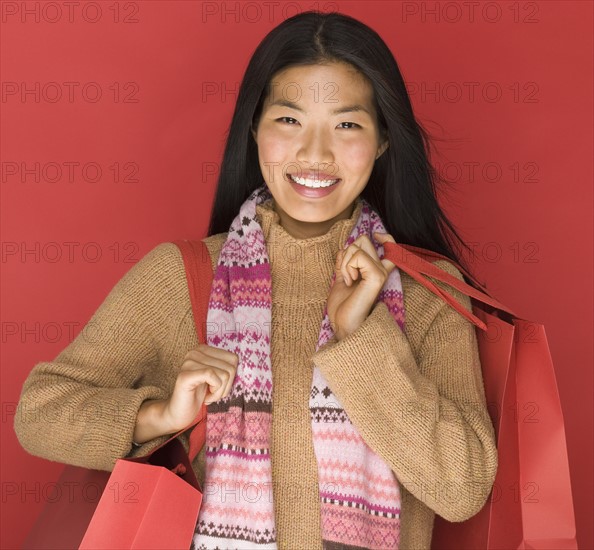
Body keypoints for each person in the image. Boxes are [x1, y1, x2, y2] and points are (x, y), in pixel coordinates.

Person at [14, 10, 498, 550]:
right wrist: (159, 416)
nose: (315, 153)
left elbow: (461, 488)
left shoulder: (429, 289)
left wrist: (360, 335)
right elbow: (39, 413)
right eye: (289, 121)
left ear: (384, 140)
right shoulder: (181, 276)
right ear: (255, 128)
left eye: (347, 125)